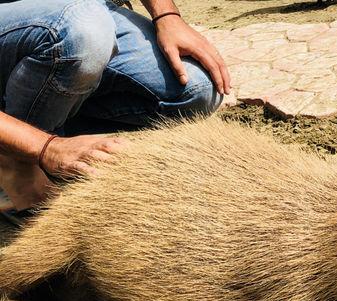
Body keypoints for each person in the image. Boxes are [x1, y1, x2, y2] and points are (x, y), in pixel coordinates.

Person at [0, 0, 231, 215]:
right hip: (66, 21)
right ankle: (12, 160)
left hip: (78, 11)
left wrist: (167, 15)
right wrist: (47, 148)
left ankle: (35, 123)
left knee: (196, 90)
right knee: (83, 29)